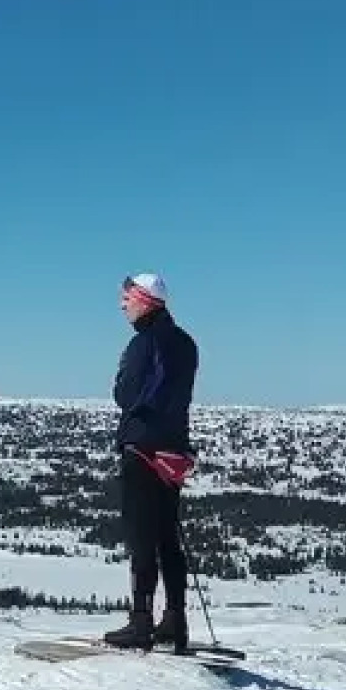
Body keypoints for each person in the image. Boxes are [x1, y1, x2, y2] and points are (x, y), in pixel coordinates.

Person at [105, 271, 199, 652]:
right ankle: (175, 619)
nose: (121, 304)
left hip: (142, 447)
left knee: (141, 535)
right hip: (174, 451)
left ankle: (140, 621)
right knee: (168, 537)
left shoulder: (143, 343)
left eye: (126, 297)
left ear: (144, 299)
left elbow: (125, 394)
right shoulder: (185, 342)